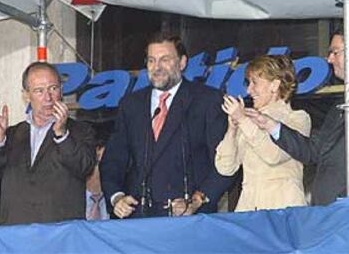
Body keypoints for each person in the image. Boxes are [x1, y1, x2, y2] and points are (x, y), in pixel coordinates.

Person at [100, 32, 236, 219]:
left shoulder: (207, 101)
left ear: (182, 63)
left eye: (165, 60)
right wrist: (117, 197)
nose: (157, 67)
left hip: (187, 218)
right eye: (151, 60)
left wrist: (198, 200)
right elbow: (113, 160)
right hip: (137, 219)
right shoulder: (131, 104)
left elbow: (226, 163)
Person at [0, 62, 96, 225]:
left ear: (61, 91)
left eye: (53, 88)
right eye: (39, 91)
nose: (48, 98)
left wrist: (62, 135)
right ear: (26, 95)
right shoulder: (11, 134)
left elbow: (85, 167)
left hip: (61, 235)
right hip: (15, 234)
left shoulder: (80, 131)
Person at [245, 28, 346, 206]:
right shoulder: (338, 107)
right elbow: (314, 151)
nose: (329, 59)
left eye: (334, 52)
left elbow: (273, 156)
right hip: (330, 212)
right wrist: (271, 126)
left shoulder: (299, 117)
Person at [215, 55, 311, 211]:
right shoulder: (247, 120)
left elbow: (273, 155)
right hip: (249, 211)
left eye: (255, 83)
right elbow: (225, 168)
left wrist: (243, 121)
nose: (248, 90)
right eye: (248, 83)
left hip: (283, 210)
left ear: (275, 85)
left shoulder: (297, 118)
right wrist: (232, 129)